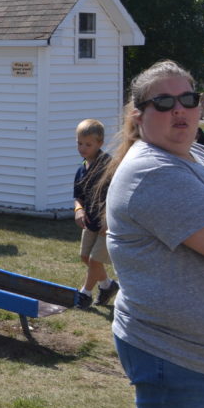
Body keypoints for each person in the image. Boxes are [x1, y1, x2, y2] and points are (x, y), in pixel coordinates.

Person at [102, 59, 204, 408]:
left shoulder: (198, 156)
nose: (179, 110)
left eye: (188, 98)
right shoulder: (152, 171)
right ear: (140, 114)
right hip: (180, 357)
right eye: (164, 102)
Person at [72, 119, 118, 307]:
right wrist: (78, 210)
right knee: (85, 257)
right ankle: (107, 286)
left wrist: (108, 219)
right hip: (90, 221)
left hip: (107, 223)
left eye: (88, 144)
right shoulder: (81, 169)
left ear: (100, 143)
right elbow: (78, 196)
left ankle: (85, 294)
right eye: (79, 143)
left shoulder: (109, 166)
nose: (83, 148)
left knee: (94, 259)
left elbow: (117, 193)